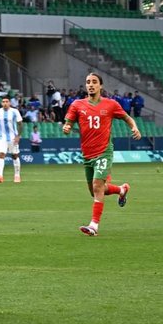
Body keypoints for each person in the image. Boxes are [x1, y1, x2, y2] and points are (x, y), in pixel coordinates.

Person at [62, 73, 141, 236]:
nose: (90, 85)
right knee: (96, 190)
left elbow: (127, 118)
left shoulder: (111, 104)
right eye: (88, 82)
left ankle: (94, 225)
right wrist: (67, 127)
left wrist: (134, 127)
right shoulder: (77, 104)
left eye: (94, 82)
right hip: (87, 154)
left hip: (104, 151)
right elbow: (68, 122)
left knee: (97, 186)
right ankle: (121, 189)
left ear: (100, 86)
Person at [0, 96, 23, 183]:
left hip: (13, 138)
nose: (5, 103)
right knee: (1, 155)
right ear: (1, 103)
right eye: (3, 102)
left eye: (6, 101)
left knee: (15, 156)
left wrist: (18, 136)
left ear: (9, 103)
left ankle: (17, 175)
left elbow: (20, 124)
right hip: (2, 138)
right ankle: (0, 175)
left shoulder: (14, 111)